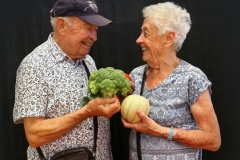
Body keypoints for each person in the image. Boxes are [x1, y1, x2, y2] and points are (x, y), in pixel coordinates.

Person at [13, 0, 133, 159]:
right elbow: (34, 135)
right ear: (62, 26)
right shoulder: (34, 65)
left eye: (95, 30)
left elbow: (95, 104)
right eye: (88, 28)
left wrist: (118, 94)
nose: (94, 37)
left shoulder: (88, 60)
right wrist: (86, 112)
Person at [121, 2, 221, 160]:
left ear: (168, 39)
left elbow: (213, 140)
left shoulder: (192, 78)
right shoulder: (136, 75)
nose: (138, 40)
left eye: (146, 33)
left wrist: (159, 130)